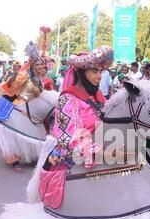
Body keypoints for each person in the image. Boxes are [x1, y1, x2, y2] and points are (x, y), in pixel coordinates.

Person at [41, 45, 114, 188]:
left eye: (100, 71)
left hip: (99, 157)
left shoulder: (98, 97)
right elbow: (70, 141)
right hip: (69, 165)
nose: (99, 76)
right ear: (80, 73)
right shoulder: (68, 99)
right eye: (94, 71)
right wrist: (106, 153)